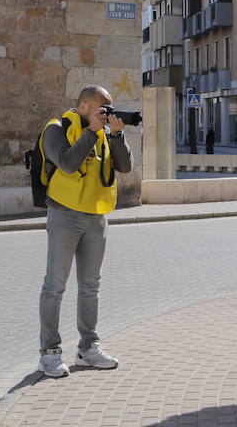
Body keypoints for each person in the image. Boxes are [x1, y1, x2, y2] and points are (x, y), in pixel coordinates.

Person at [38, 85, 134, 378]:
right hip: (64, 214)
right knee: (55, 286)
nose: (107, 115)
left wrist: (117, 135)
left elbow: (126, 167)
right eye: (102, 110)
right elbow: (66, 164)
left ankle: (88, 348)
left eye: (110, 110)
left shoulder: (106, 132)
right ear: (83, 107)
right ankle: (50, 354)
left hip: (96, 216)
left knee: (90, 286)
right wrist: (91, 131)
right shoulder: (56, 128)